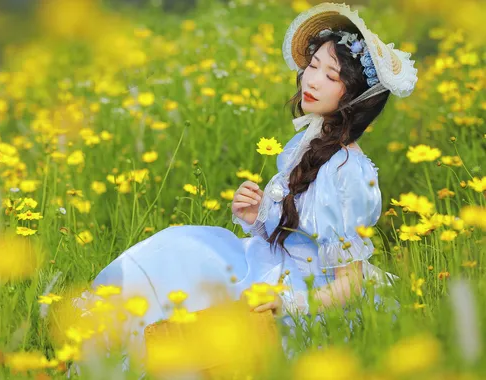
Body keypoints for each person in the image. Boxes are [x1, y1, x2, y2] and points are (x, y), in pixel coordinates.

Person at [72, 1, 418, 372]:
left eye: (332, 76)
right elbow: (295, 232)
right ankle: (99, 335)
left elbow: (351, 281)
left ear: (354, 97)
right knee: (181, 248)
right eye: (313, 66)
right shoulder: (307, 143)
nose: (312, 80)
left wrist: (289, 303)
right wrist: (255, 217)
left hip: (310, 295)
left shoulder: (350, 171)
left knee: (216, 314)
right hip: (272, 262)